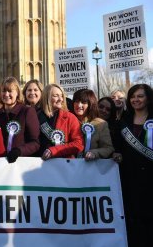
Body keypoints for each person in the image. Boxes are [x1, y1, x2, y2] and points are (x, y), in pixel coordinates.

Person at [117, 84, 153, 247]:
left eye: (140, 96)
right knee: (133, 220)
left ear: (148, 98)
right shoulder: (124, 121)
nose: (135, 100)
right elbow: (118, 146)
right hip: (130, 177)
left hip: (150, 178)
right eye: (133, 96)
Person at [0, 77, 40, 162]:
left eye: (10, 91)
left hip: (21, 163)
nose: (6, 94)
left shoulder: (27, 111)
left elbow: (35, 143)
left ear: (17, 93)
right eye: (3, 91)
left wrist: (19, 151)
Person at [37, 84, 84, 160]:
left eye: (61, 96)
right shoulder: (36, 116)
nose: (61, 99)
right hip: (38, 164)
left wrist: (54, 150)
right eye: (56, 96)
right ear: (47, 97)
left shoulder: (70, 117)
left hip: (63, 165)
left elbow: (78, 144)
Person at [72, 89, 114, 160]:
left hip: (90, 167)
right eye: (76, 101)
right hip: (67, 167)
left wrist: (94, 153)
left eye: (83, 102)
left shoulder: (100, 124)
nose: (79, 105)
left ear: (90, 104)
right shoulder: (67, 120)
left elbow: (108, 148)